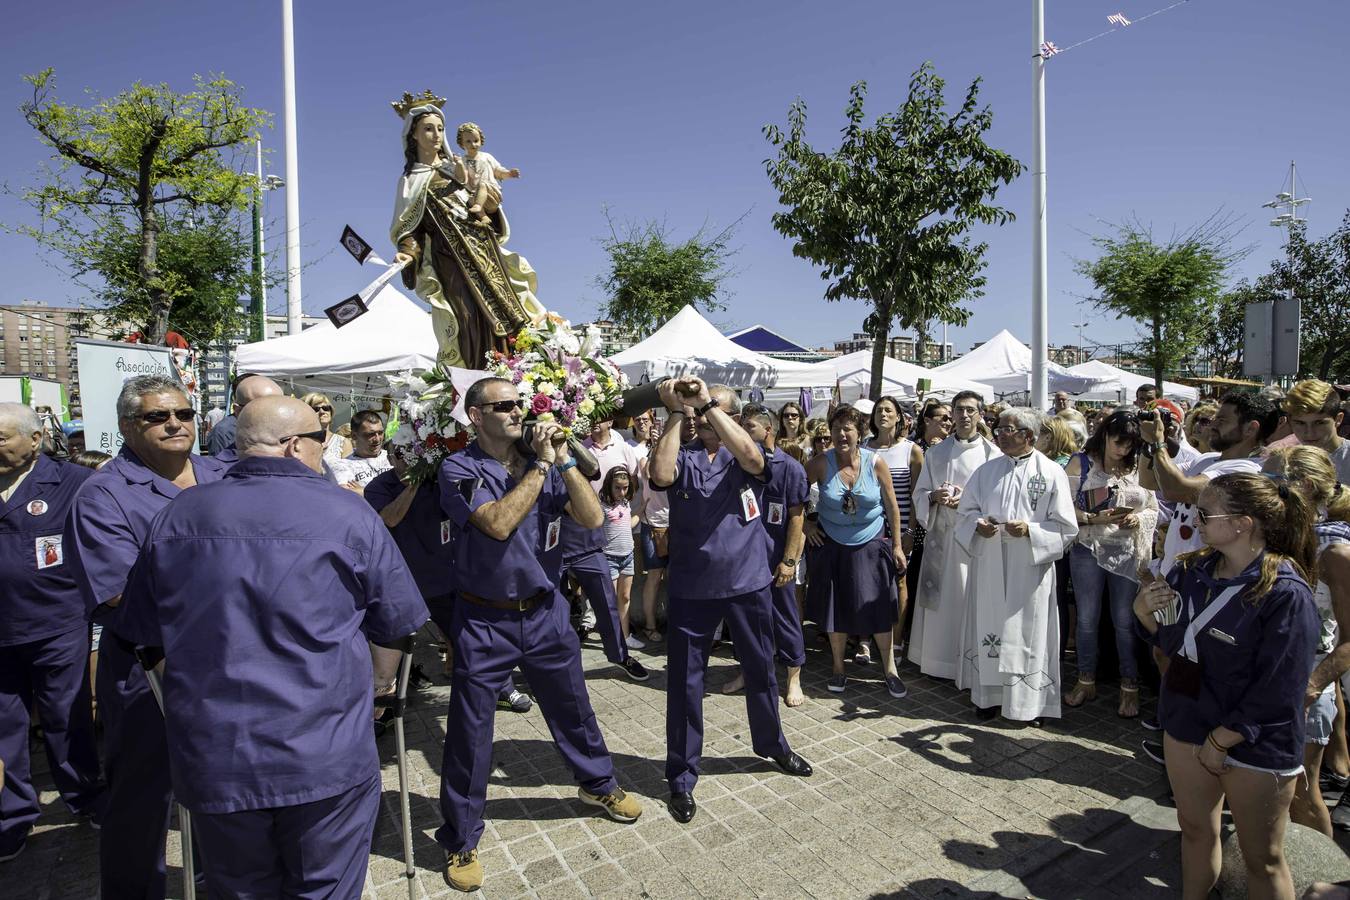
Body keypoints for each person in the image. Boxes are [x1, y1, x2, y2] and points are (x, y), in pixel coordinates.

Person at [115, 396, 429, 897]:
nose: (324, 450)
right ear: (294, 446)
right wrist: (378, 687)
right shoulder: (348, 513)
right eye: (321, 441)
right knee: (324, 886)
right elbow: (395, 625)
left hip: (218, 752)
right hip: (324, 750)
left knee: (240, 888)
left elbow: (145, 634)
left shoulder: (179, 514)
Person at [435, 377, 641, 891]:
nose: (516, 412)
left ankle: (598, 784)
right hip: (484, 619)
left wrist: (564, 459)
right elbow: (498, 524)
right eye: (503, 405)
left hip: (546, 611)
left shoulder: (545, 462)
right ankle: (461, 837)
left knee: (573, 707)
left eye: (519, 403)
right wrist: (542, 465)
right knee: (470, 731)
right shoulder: (459, 467)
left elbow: (593, 520)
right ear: (475, 416)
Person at [65, 374, 229, 898]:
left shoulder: (222, 472)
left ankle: (213, 879)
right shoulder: (103, 495)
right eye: (157, 417)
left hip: (229, 662)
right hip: (150, 669)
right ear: (126, 427)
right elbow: (119, 592)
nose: (175, 424)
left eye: (182, 413)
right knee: (142, 801)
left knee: (218, 789)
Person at [1132, 473, 1318, 900]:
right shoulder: (1191, 569)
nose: (1195, 521)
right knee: (1195, 831)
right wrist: (1144, 615)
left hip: (1255, 741)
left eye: (1204, 513)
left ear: (1242, 524)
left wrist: (1223, 738)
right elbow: (1174, 643)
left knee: (1262, 858)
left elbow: (1282, 688)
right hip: (1188, 719)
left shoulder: (1286, 592)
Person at [649, 377, 812, 825]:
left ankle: (772, 745)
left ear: (731, 415)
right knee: (685, 683)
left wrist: (709, 403)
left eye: (712, 410)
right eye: (700, 412)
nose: (703, 417)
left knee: (761, 670)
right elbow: (660, 475)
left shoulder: (745, 456)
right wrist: (678, 413)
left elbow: (755, 458)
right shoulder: (682, 453)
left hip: (748, 584)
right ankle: (681, 775)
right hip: (691, 589)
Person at [0, 403, 105, 862]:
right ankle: (12, 816)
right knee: (5, 728)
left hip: (56, 624)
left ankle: (84, 796)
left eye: (2, 437)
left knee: (66, 716)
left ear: (35, 439)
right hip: (2, 632)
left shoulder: (72, 482)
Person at [365, 448, 530, 712]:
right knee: (402, 644)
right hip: (412, 580)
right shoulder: (380, 485)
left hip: (453, 574)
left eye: (410, 453)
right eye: (398, 454)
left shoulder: (436, 479)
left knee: (471, 634)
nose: (405, 459)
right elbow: (390, 518)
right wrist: (413, 486)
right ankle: (381, 707)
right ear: (389, 458)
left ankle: (502, 688)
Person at [390, 95, 543, 368]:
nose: (436, 134)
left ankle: (516, 372)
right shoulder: (411, 180)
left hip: (484, 251)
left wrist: (492, 208)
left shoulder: (458, 168)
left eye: (439, 128)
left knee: (507, 308)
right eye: (427, 128)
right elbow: (410, 227)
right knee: (468, 316)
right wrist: (407, 253)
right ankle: (479, 375)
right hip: (450, 258)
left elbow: (483, 208)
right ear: (413, 134)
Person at [956, 407, 1078, 723]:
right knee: (991, 627)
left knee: (1027, 632)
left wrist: (1032, 531)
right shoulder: (985, 471)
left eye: (1009, 429)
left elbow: (1066, 527)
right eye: (1000, 428)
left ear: (1029, 435)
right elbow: (965, 513)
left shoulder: (1052, 472)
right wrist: (977, 525)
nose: (1001, 434)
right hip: (990, 563)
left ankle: (1027, 705)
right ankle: (988, 698)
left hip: (1029, 568)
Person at [1262, 446, 1350, 836]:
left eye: (1276, 482)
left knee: (1300, 791)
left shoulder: (1336, 553)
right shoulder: (1281, 537)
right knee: (1268, 790)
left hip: (1306, 684)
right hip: (1267, 676)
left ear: (1305, 485)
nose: (1269, 490)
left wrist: (1313, 685)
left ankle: (1322, 878)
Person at [805, 405, 908, 697]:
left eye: (848, 428)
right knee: (835, 609)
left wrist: (897, 545)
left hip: (871, 542)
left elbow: (891, 506)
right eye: (836, 428)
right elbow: (795, 494)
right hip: (833, 544)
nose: (841, 434)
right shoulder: (820, 464)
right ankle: (838, 669)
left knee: (877, 608)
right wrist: (808, 525)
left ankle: (889, 669)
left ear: (859, 432)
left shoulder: (875, 462)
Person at [1063, 410, 1159, 717]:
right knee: (1088, 619)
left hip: (1127, 550)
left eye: (1130, 444)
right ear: (1104, 435)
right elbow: (1061, 507)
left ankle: (1129, 687)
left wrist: (1137, 518)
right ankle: (1085, 679)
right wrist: (1092, 517)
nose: (1124, 450)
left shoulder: (1138, 466)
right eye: (1119, 442)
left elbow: (1154, 508)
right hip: (1088, 548)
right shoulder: (1082, 462)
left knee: (1125, 620)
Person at [909, 391, 1001, 680]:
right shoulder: (936, 452)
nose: (963, 416)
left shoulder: (992, 455)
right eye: (958, 410)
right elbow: (919, 494)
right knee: (941, 602)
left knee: (966, 597)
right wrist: (933, 496)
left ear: (980, 414)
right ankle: (936, 660)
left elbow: (998, 501)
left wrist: (966, 502)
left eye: (969, 410)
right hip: (941, 534)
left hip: (973, 539)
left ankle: (968, 662)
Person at [723, 404, 808, 707]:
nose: (744, 433)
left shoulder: (791, 468)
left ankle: (794, 676)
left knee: (785, 618)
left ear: (768, 430)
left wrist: (788, 561)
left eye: (750, 428)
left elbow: (797, 518)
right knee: (746, 621)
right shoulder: (737, 465)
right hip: (745, 560)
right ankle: (748, 671)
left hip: (775, 560)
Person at [1142, 393, 1278, 576]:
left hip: (1203, 576)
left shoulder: (1248, 470)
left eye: (1222, 420)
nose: (1212, 425)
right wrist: (1149, 443)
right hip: (1175, 573)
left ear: (1250, 429)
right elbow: (1149, 480)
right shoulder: (1207, 459)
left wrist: (1159, 443)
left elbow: (1175, 489)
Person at [563, 418, 648, 679]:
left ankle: (620, 654)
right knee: (548, 608)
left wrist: (566, 441)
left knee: (609, 602)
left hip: (589, 540)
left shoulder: (578, 444)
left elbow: (593, 470)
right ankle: (551, 665)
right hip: (550, 544)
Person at [866, 396, 924, 662]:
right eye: (879, 410)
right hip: (870, 528)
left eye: (888, 410)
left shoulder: (912, 450)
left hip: (901, 529)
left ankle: (897, 640)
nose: (883, 414)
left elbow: (917, 496)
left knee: (899, 582)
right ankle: (866, 638)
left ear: (899, 416)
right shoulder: (864, 447)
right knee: (870, 583)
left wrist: (910, 532)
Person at [599, 467, 638, 645]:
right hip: (610, 558)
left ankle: (626, 636)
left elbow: (627, 524)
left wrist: (642, 511)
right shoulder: (602, 505)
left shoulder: (626, 503)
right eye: (617, 488)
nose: (622, 492)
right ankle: (612, 638)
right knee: (610, 601)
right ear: (609, 485)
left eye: (625, 488)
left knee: (625, 597)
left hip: (628, 556)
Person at [1285, 379, 1350, 484]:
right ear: (1289, 422)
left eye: (1319, 423)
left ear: (1338, 420)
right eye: (1300, 423)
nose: (1309, 433)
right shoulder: (1282, 462)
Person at [206, 373, 284, 460]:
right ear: (238, 409)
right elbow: (219, 467)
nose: (273, 413)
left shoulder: (285, 429)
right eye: (261, 407)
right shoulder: (223, 431)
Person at [456, 121, 520, 225]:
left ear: (481, 140)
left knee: (482, 184)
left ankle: (478, 206)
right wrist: (458, 164)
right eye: (468, 141)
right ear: (461, 144)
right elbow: (462, 179)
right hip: (475, 195)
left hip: (491, 194)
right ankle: (484, 217)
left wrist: (509, 173)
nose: (473, 144)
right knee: (469, 197)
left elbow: (498, 171)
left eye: (476, 140)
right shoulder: (463, 160)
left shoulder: (486, 157)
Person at [330, 409, 392, 492]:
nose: (377, 439)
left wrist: (364, 491)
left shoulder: (394, 458)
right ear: (354, 436)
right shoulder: (343, 465)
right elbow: (347, 494)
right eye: (370, 434)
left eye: (380, 433)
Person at [301, 391, 352, 467]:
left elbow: (349, 473)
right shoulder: (301, 441)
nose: (322, 412)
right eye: (316, 409)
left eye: (326, 408)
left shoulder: (343, 443)